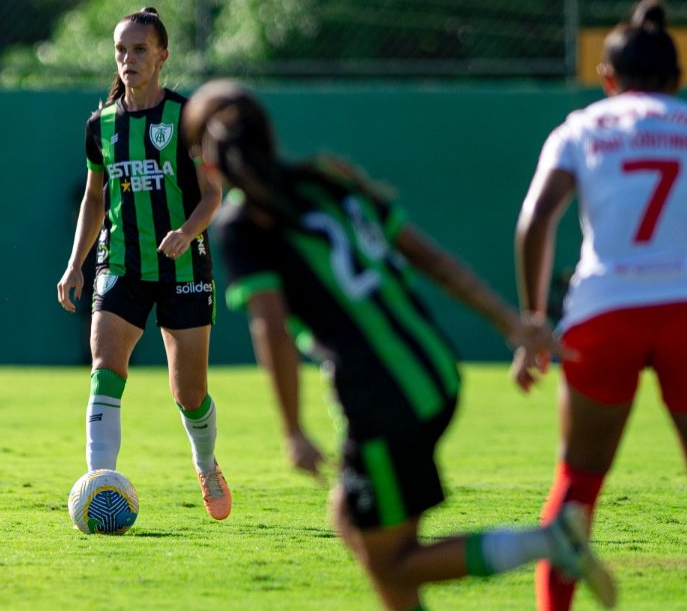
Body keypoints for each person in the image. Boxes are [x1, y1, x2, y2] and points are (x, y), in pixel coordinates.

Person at [183, 79, 616, 610]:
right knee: (349, 518)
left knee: (391, 560)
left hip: (385, 399)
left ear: (204, 158)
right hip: (432, 368)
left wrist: (293, 429)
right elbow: (430, 258)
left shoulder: (243, 224)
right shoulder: (327, 178)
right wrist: (510, 322)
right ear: (268, 134)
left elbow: (269, 328)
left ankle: (550, 542)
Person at [515, 0, 687, 611]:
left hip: (601, 313)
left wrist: (533, 320)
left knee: (577, 486)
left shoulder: (580, 128)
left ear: (608, 78)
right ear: (677, 79)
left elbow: (535, 220)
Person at [56, 7, 230, 520]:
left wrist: (187, 232)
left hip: (184, 268)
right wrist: (75, 264)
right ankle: (99, 484)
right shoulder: (101, 125)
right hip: (121, 264)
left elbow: (213, 193)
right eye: (121, 50)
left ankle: (206, 463)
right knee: (106, 367)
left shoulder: (187, 118)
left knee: (189, 392)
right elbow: (94, 198)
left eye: (139, 49)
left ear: (162, 56)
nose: (128, 59)